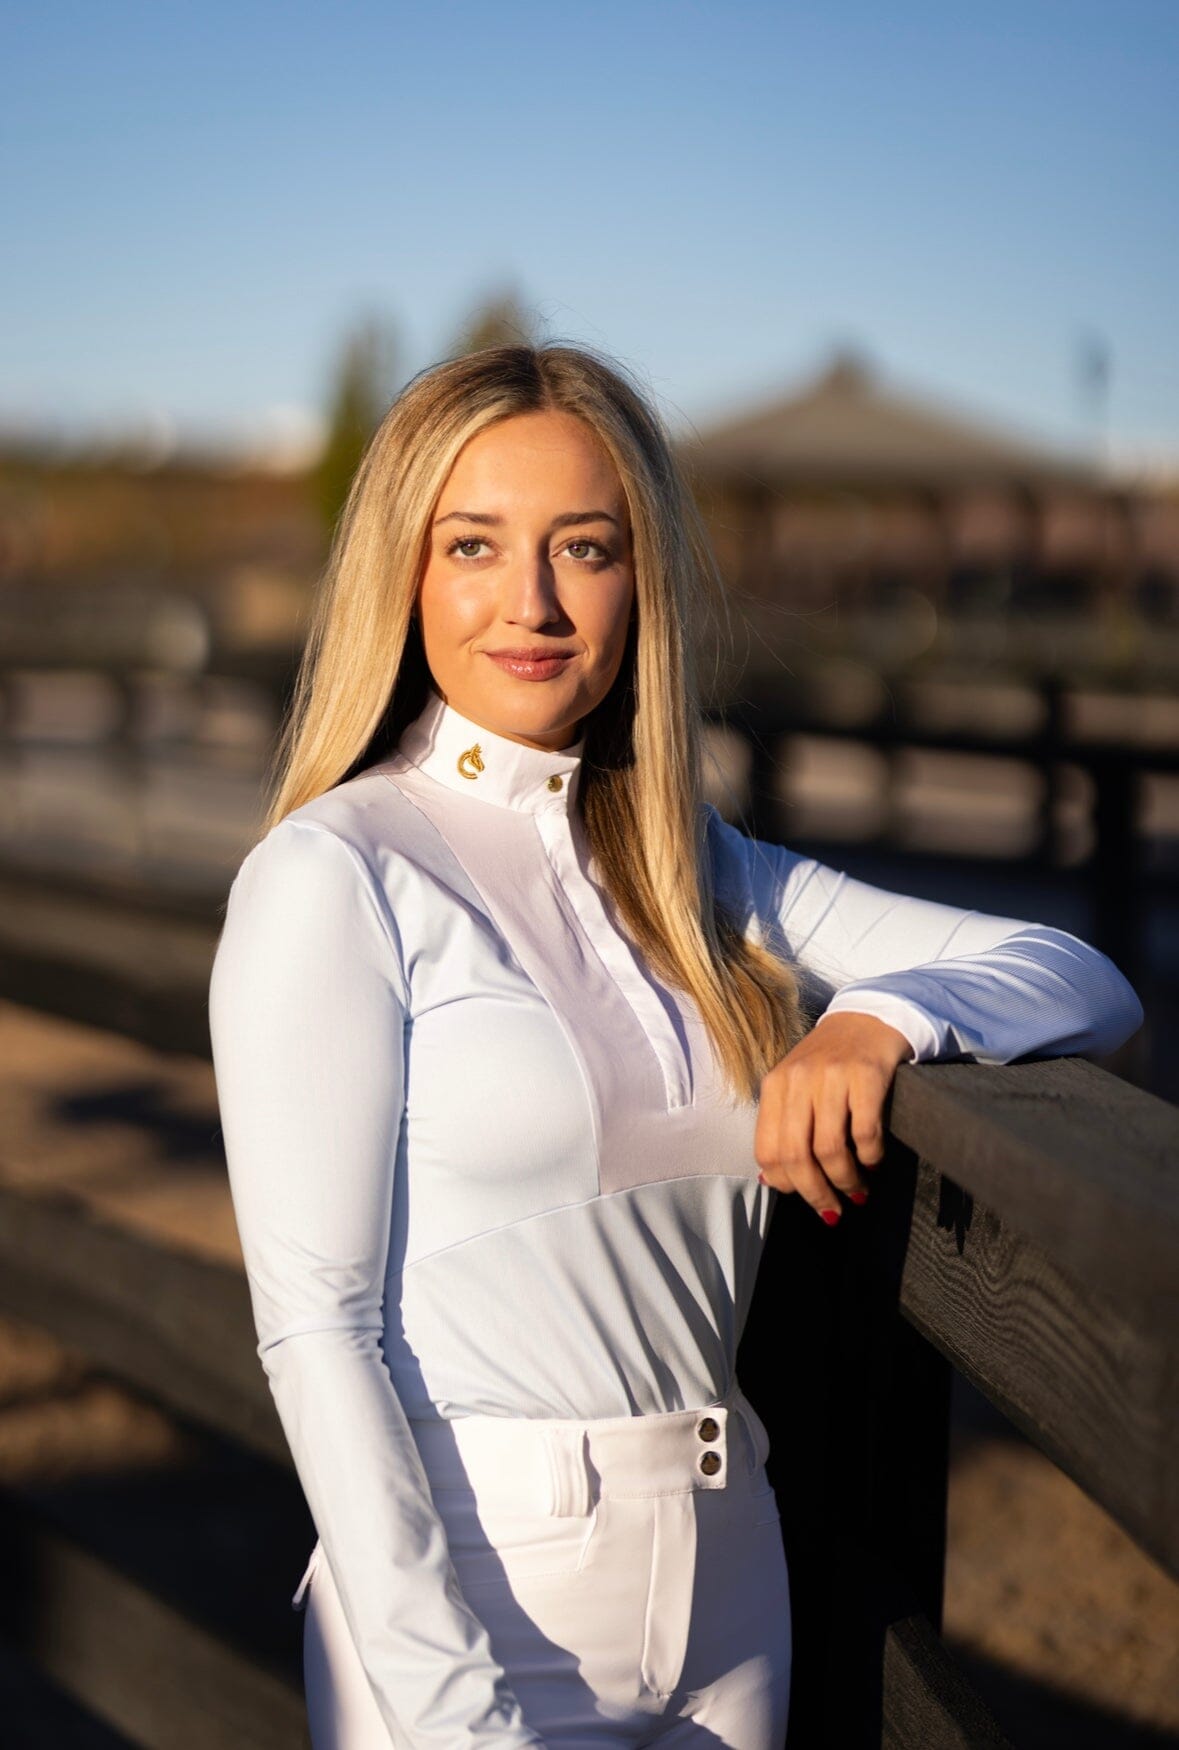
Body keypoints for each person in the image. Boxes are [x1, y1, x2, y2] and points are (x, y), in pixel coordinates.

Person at [207, 341, 1144, 1750]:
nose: (532, 601)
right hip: (477, 1602)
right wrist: (454, 1712)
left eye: (584, 547)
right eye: (475, 544)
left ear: (640, 581)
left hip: (730, 1588)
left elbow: (1080, 976)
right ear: (403, 570)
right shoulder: (337, 875)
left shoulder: (699, 871)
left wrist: (881, 1018)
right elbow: (316, 1332)